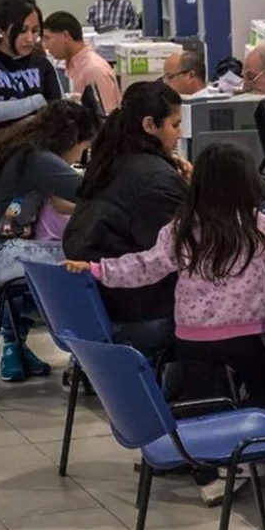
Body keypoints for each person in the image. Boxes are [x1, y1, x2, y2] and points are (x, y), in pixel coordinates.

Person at [66, 143, 265, 407]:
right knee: (264, 385)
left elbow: (146, 266)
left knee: (205, 402)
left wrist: (98, 269)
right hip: (244, 337)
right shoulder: (259, 227)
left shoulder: (181, 228)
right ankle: (247, 431)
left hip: (193, 338)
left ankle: (205, 439)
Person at [0, 100, 100, 380]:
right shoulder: (37, 158)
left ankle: (14, 348)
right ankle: (87, 356)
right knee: (79, 266)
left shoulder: (19, 148)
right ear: (71, 139)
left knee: (44, 268)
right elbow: (90, 192)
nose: (81, 154)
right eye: (83, 148)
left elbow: (63, 200)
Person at [63, 81, 190, 359]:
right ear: (149, 125)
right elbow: (179, 252)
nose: (180, 134)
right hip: (136, 311)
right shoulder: (155, 178)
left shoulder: (110, 161)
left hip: (97, 305)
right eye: (175, 124)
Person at [0, 0, 61, 143]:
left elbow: (57, 112)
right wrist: (37, 101)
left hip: (39, 148)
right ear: (0, 31)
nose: (30, 38)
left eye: (35, 30)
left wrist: (11, 116)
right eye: (22, 31)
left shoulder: (43, 64)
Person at [42, 11, 122, 113]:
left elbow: (107, 117)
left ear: (65, 36)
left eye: (47, 38)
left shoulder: (94, 69)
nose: (45, 45)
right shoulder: (69, 65)